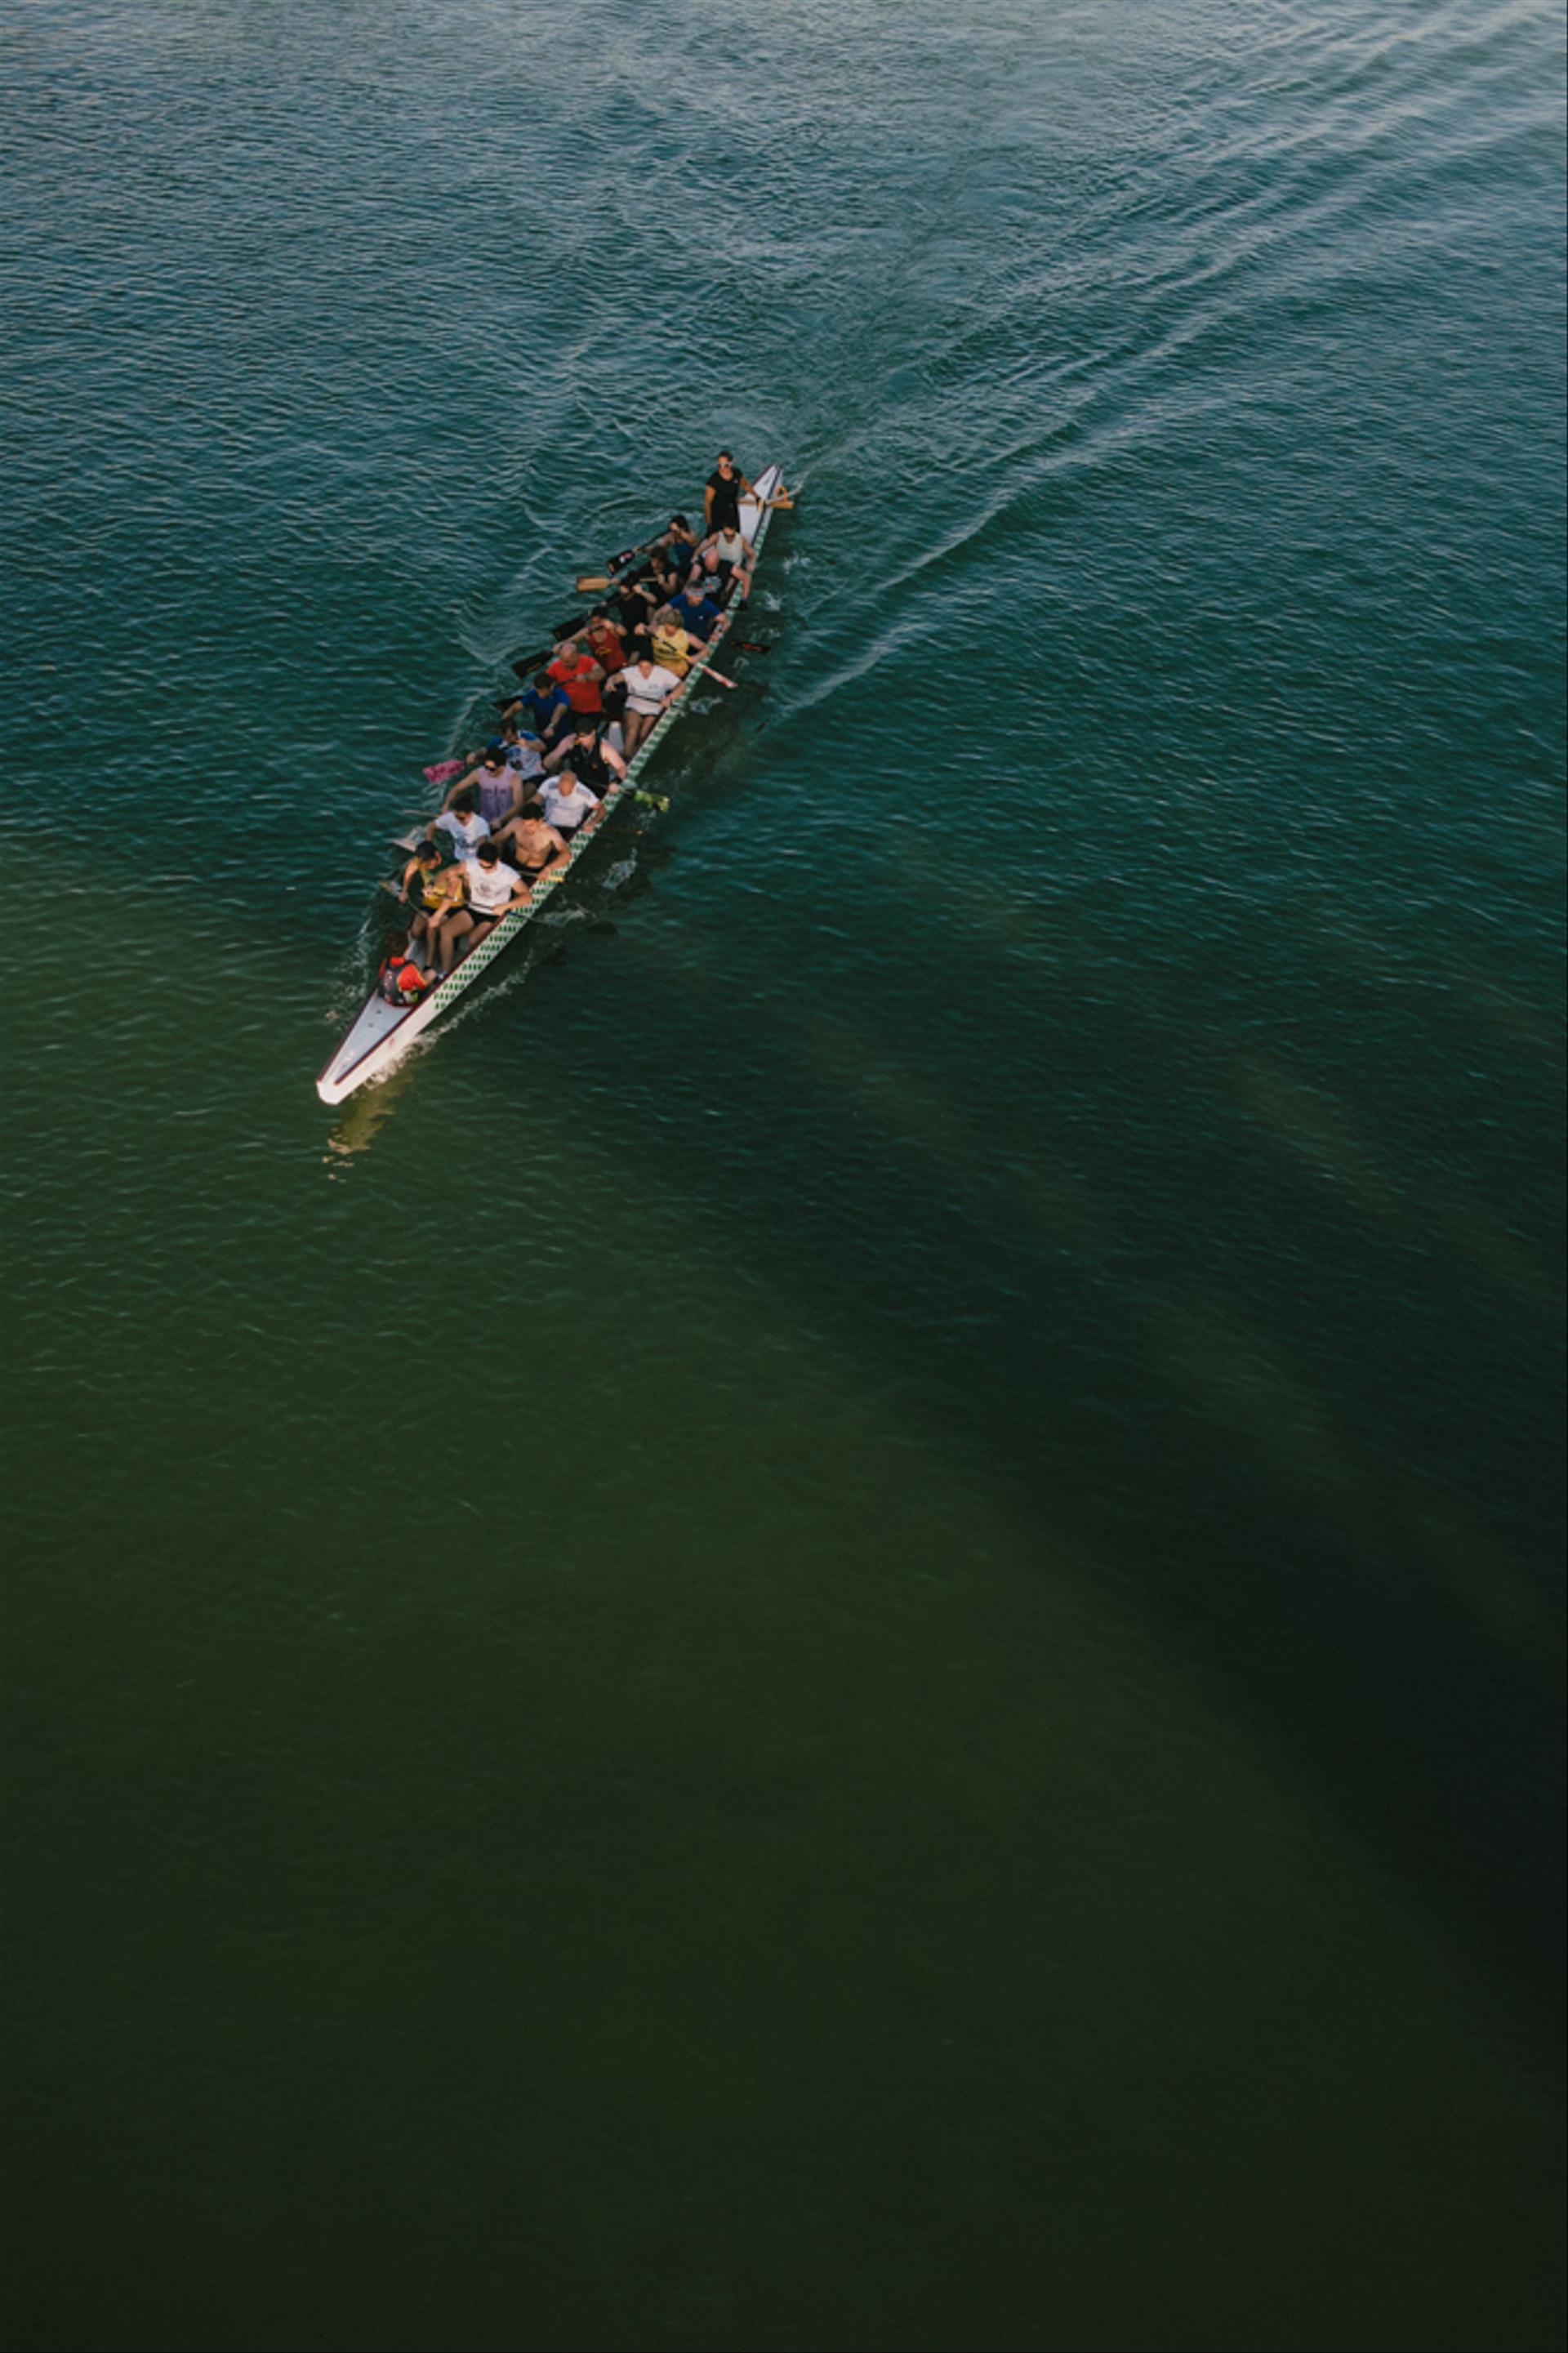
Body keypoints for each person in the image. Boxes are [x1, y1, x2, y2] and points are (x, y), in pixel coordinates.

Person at [434, 840, 531, 972]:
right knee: (445, 931)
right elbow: (448, 872)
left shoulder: (508, 874)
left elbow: (527, 897)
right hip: (473, 909)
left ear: (497, 860)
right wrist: (431, 884)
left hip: (492, 915)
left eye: (488, 867)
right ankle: (445, 972)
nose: (485, 871)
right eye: (482, 866)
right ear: (478, 859)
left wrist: (506, 906)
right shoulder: (471, 864)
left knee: (473, 940)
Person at [614, 652, 684, 757]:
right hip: (634, 706)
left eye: (648, 668)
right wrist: (610, 682)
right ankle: (626, 758)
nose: (644, 671)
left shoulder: (662, 673)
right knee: (632, 731)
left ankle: (638, 756)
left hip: (654, 709)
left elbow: (681, 686)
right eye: (641, 667)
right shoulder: (631, 672)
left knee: (644, 735)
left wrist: (670, 698)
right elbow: (615, 677)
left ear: (653, 665)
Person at [400, 840, 466, 945]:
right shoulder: (421, 861)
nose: (429, 868)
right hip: (430, 903)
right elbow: (411, 869)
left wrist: (437, 916)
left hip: (451, 905)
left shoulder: (450, 866)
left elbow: (451, 894)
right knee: (416, 932)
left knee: (434, 928)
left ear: (437, 855)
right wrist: (404, 890)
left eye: (430, 865)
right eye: (425, 866)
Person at [544, 716, 628, 794]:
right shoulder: (571, 740)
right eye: (580, 736)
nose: (582, 740)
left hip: (598, 788)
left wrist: (616, 782)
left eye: (585, 736)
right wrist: (542, 767)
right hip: (576, 786)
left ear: (593, 732)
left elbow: (622, 767)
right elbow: (553, 756)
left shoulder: (604, 747)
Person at [445, 746, 521, 831]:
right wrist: (446, 807)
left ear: (502, 767)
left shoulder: (514, 778)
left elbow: (518, 804)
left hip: (506, 820)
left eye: (491, 769)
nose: (487, 771)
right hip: (485, 818)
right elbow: (456, 789)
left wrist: (501, 820)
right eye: (486, 767)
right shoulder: (479, 774)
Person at [494, 802, 569, 885]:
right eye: (525, 824)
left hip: (534, 871)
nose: (527, 828)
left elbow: (566, 854)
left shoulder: (550, 833)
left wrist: (548, 869)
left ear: (540, 821)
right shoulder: (516, 823)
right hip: (514, 864)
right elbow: (498, 838)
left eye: (531, 825)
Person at [546, 637, 604, 720]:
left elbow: (601, 673)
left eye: (568, 661)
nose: (564, 664)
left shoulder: (587, 660)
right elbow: (544, 680)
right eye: (562, 660)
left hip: (592, 710)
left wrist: (586, 676)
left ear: (577, 656)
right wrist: (550, 686)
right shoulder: (556, 666)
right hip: (571, 710)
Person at [513, 669, 574, 746]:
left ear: (551, 687)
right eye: (537, 691)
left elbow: (558, 712)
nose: (539, 694)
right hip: (541, 733)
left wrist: (551, 727)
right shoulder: (534, 693)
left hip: (561, 736)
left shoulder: (562, 696)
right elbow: (515, 708)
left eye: (542, 691)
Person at [698, 520, 755, 601]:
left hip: (733, 567)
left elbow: (752, 554)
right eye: (726, 535)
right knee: (709, 580)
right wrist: (695, 555)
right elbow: (704, 546)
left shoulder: (741, 540)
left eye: (731, 536)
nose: (728, 538)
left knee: (727, 584)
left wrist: (751, 562)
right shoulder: (717, 536)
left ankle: (725, 593)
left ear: (735, 532)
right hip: (718, 564)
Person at [540, 769, 604, 839]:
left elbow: (602, 810)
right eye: (561, 791)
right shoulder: (549, 784)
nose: (564, 795)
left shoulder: (583, 793)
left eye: (567, 793)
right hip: (549, 825)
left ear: (574, 786)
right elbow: (535, 801)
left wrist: (592, 823)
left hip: (571, 828)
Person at [704, 450, 755, 534]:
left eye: (725, 465)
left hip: (732, 509)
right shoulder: (713, 481)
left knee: (735, 533)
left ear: (731, 463)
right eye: (719, 465)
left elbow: (746, 485)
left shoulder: (736, 473)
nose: (722, 468)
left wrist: (757, 497)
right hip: (718, 512)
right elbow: (707, 503)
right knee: (717, 536)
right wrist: (709, 524)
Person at [428, 792, 490, 861]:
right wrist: (429, 846)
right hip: (459, 858)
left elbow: (483, 847)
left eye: (462, 818)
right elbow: (431, 827)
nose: (458, 821)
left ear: (471, 813)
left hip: (475, 860)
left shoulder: (481, 824)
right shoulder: (451, 817)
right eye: (456, 817)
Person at [377, 931, 435, 1005]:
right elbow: (422, 984)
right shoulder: (409, 967)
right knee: (432, 973)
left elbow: (381, 975)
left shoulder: (386, 962)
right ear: (407, 948)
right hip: (403, 1001)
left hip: (387, 996)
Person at [650, 606, 698, 678]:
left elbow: (705, 648)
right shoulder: (656, 630)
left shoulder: (686, 636)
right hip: (658, 667)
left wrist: (696, 657)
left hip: (677, 671)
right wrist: (640, 629)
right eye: (668, 625)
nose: (670, 628)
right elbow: (640, 630)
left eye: (674, 626)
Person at [673, 577, 723, 643]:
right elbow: (662, 611)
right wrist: (654, 624)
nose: (701, 598)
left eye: (702, 594)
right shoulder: (681, 599)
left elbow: (726, 621)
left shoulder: (707, 605)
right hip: (679, 633)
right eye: (697, 595)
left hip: (699, 637)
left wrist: (718, 633)